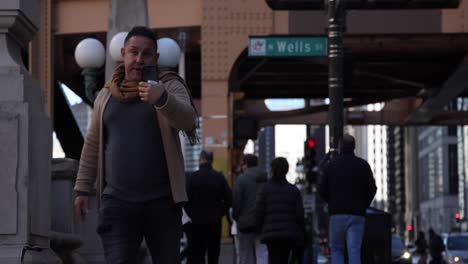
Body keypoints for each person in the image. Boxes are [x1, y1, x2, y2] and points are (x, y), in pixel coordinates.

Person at [73, 25, 197, 264]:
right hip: (117, 204)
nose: (139, 59)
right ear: (123, 53)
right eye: (134, 52)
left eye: (147, 54)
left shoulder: (169, 86)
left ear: (156, 58)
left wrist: (161, 98)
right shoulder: (106, 95)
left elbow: (188, 120)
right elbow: (92, 145)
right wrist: (81, 189)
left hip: (162, 203)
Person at [318, 134, 377, 264]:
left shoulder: (331, 165)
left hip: (337, 213)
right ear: (354, 147)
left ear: (340, 147)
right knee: (354, 249)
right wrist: (363, 204)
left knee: (336, 249)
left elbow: (321, 189)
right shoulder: (363, 165)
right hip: (357, 214)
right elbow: (372, 189)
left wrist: (331, 202)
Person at [184, 150, 232, 264]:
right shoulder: (219, 177)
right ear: (212, 161)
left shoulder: (192, 177)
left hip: (196, 224)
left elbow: (185, 200)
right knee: (213, 254)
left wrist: (192, 213)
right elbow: (229, 199)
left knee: (198, 254)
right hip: (214, 223)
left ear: (200, 159)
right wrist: (220, 212)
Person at [255, 157, 305, 264]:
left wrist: (259, 229)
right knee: (284, 258)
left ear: (272, 170)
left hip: (271, 234)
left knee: (273, 258)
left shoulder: (265, 189)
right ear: (286, 170)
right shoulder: (293, 190)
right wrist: (301, 233)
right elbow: (300, 215)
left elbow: (259, 212)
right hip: (288, 234)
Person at [232, 154, 268, 264]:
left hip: (245, 224)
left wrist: (237, 217)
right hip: (262, 223)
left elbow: (236, 203)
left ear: (246, 165)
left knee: (246, 254)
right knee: (262, 253)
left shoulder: (241, 180)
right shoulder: (266, 179)